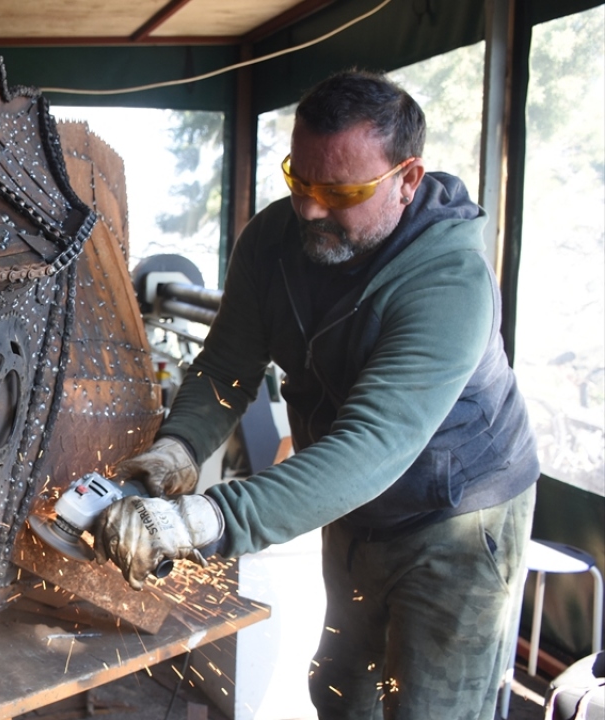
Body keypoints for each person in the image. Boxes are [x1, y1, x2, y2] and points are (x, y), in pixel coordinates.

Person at [93, 70, 540, 719]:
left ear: (407, 180)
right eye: (299, 180)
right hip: (356, 507)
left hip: (458, 515)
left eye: (341, 191)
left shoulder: (449, 284)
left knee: (428, 708)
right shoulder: (276, 241)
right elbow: (225, 368)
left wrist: (205, 520)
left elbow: (372, 443)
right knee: (341, 686)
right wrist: (178, 449)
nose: (309, 208)